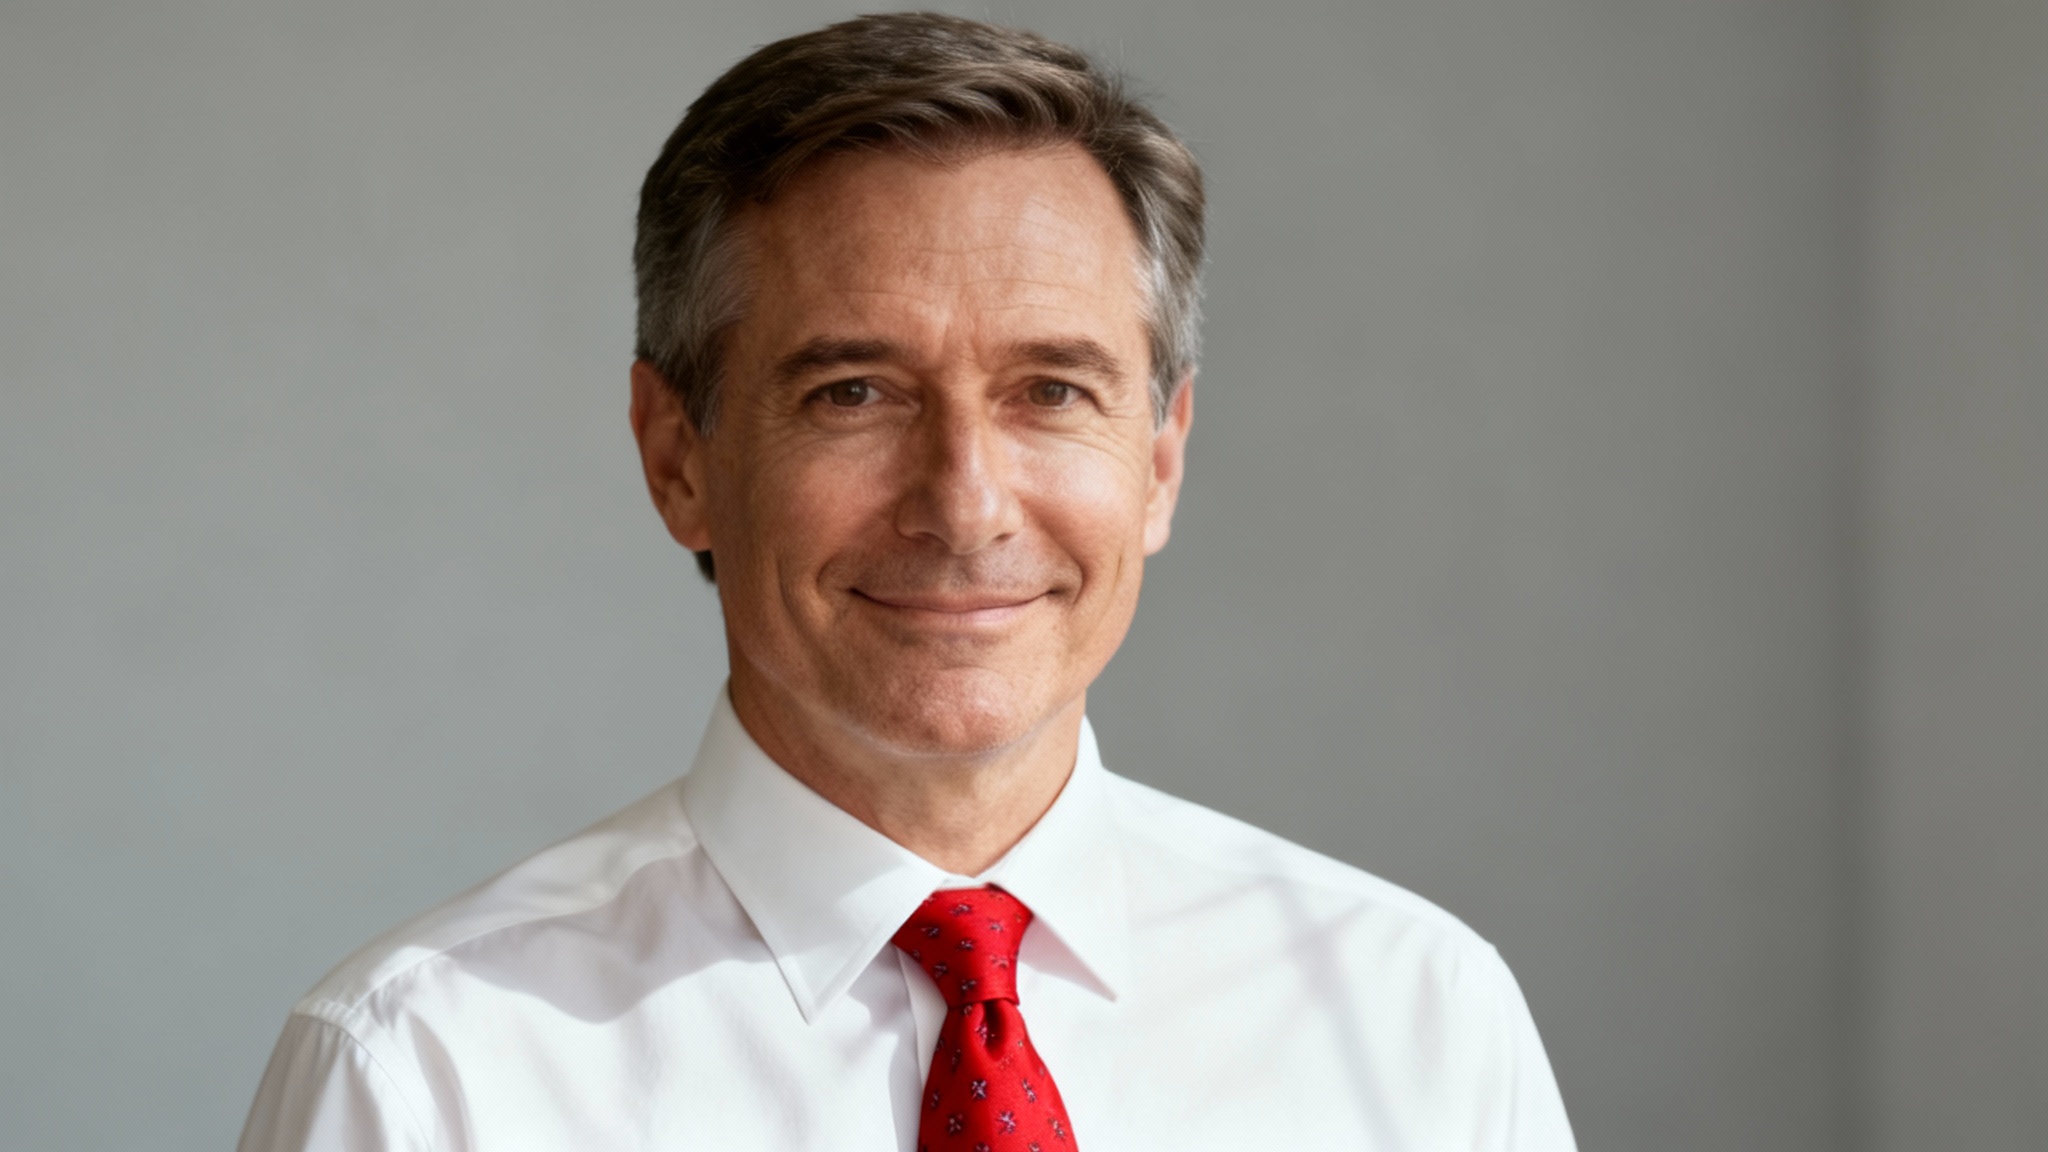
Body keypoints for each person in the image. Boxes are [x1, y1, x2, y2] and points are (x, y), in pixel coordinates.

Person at [238, 13, 1575, 1151]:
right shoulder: (429, 1074)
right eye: (855, 393)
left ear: (1160, 461)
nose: (965, 504)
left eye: (1052, 391)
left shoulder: (1418, 1023)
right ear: (678, 457)